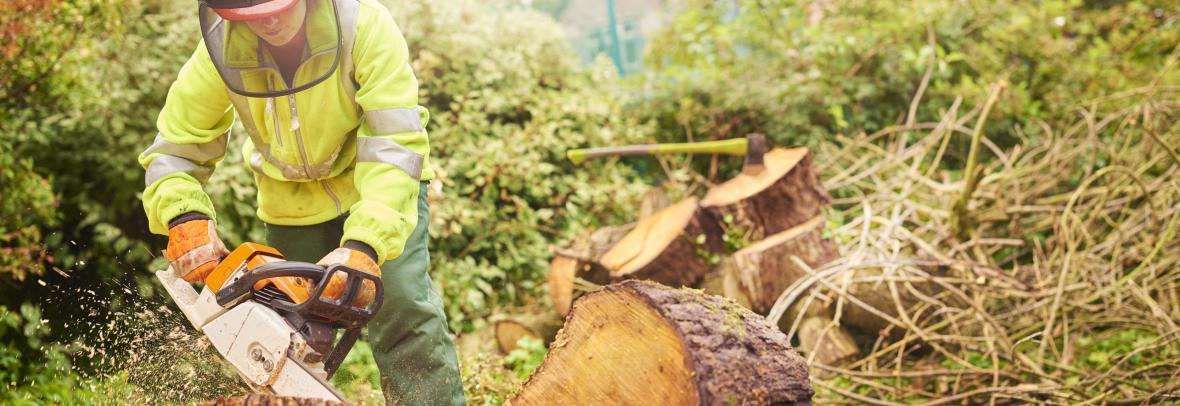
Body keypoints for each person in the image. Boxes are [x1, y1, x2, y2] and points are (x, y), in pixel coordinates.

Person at [137, 0, 465, 404]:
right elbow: (175, 150)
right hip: (291, 206)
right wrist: (183, 213)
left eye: (278, 6)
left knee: (404, 313)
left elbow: (394, 144)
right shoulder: (222, 48)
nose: (270, 21)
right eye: (254, 14)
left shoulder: (363, 26)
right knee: (289, 336)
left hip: (379, 192)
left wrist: (365, 245)